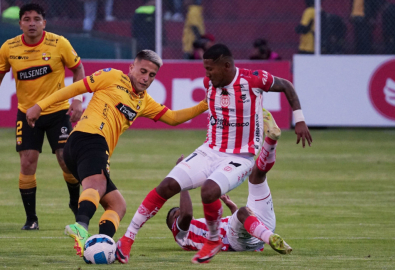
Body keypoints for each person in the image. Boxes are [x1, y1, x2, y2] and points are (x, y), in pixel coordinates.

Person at [116, 43, 312, 264]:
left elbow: (286, 85)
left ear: (227, 66)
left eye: (210, 68)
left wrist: (300, 119)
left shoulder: (254, 80)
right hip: (209, 150)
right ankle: (127, 239)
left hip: (240, 157)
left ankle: (213, 239)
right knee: (167, 185)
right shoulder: (209, 83)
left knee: (209, 191)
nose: (206, 74)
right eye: (205, 68)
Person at [25, 50, 209, 257]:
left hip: (84, 148)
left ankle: (99, 245)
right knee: (98, 184)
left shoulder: (143, 101)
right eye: (142, 71)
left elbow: (173, 118)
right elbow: (75, 88)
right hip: (89, 138)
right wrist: (39, 106)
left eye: (151, 75)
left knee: (117, 205)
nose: (145, 78)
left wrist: (205, 104)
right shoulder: (112, 76)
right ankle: (81, 225)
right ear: (131, 67)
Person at [0, 3, 86, 231]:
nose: (32, 23)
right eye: (27, 19)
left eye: (37, 19)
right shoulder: (9, 48)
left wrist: (77, 100)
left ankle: (75, 203)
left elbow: (78, 69)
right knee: (27, 163)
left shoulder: (59, 43)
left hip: (58, 113)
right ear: (20, 24)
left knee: (66, 161)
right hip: (27, 115)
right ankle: (31, 219)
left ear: (44, 23)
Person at [167, 110, 291, 254]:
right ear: (172, 226)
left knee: (257, 174)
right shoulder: (180, 235)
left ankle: (271, 139)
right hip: (239, 241)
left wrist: (232, 207)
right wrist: (182, 182)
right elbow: (187, 214)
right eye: (175, 215)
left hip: (259, 228)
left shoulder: (201, 226)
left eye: (178, 211)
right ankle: (272, 239)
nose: (180, 212)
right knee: (243, 212)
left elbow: (237, 224)